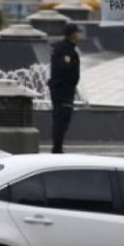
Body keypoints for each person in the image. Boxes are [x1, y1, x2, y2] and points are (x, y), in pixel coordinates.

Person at [48, 23, 81, 153]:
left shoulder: (63, 47)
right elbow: (64, 69)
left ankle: (57, 146)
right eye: (77, 33)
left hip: (61, 89)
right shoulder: (66, 50)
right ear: (73, 35)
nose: (79, 36)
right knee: (62, 119)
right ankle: (57, 148)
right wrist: (68, 85)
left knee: (59, 118)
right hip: (63, 91)